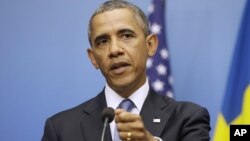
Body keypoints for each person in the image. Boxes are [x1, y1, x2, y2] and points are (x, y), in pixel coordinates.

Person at [41, 0, 211, 141]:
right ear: (93, 58)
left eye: (126, 36)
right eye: (102, 41)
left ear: (150, 45)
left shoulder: (188, 119)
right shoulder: (60, 129)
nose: (114, 50)